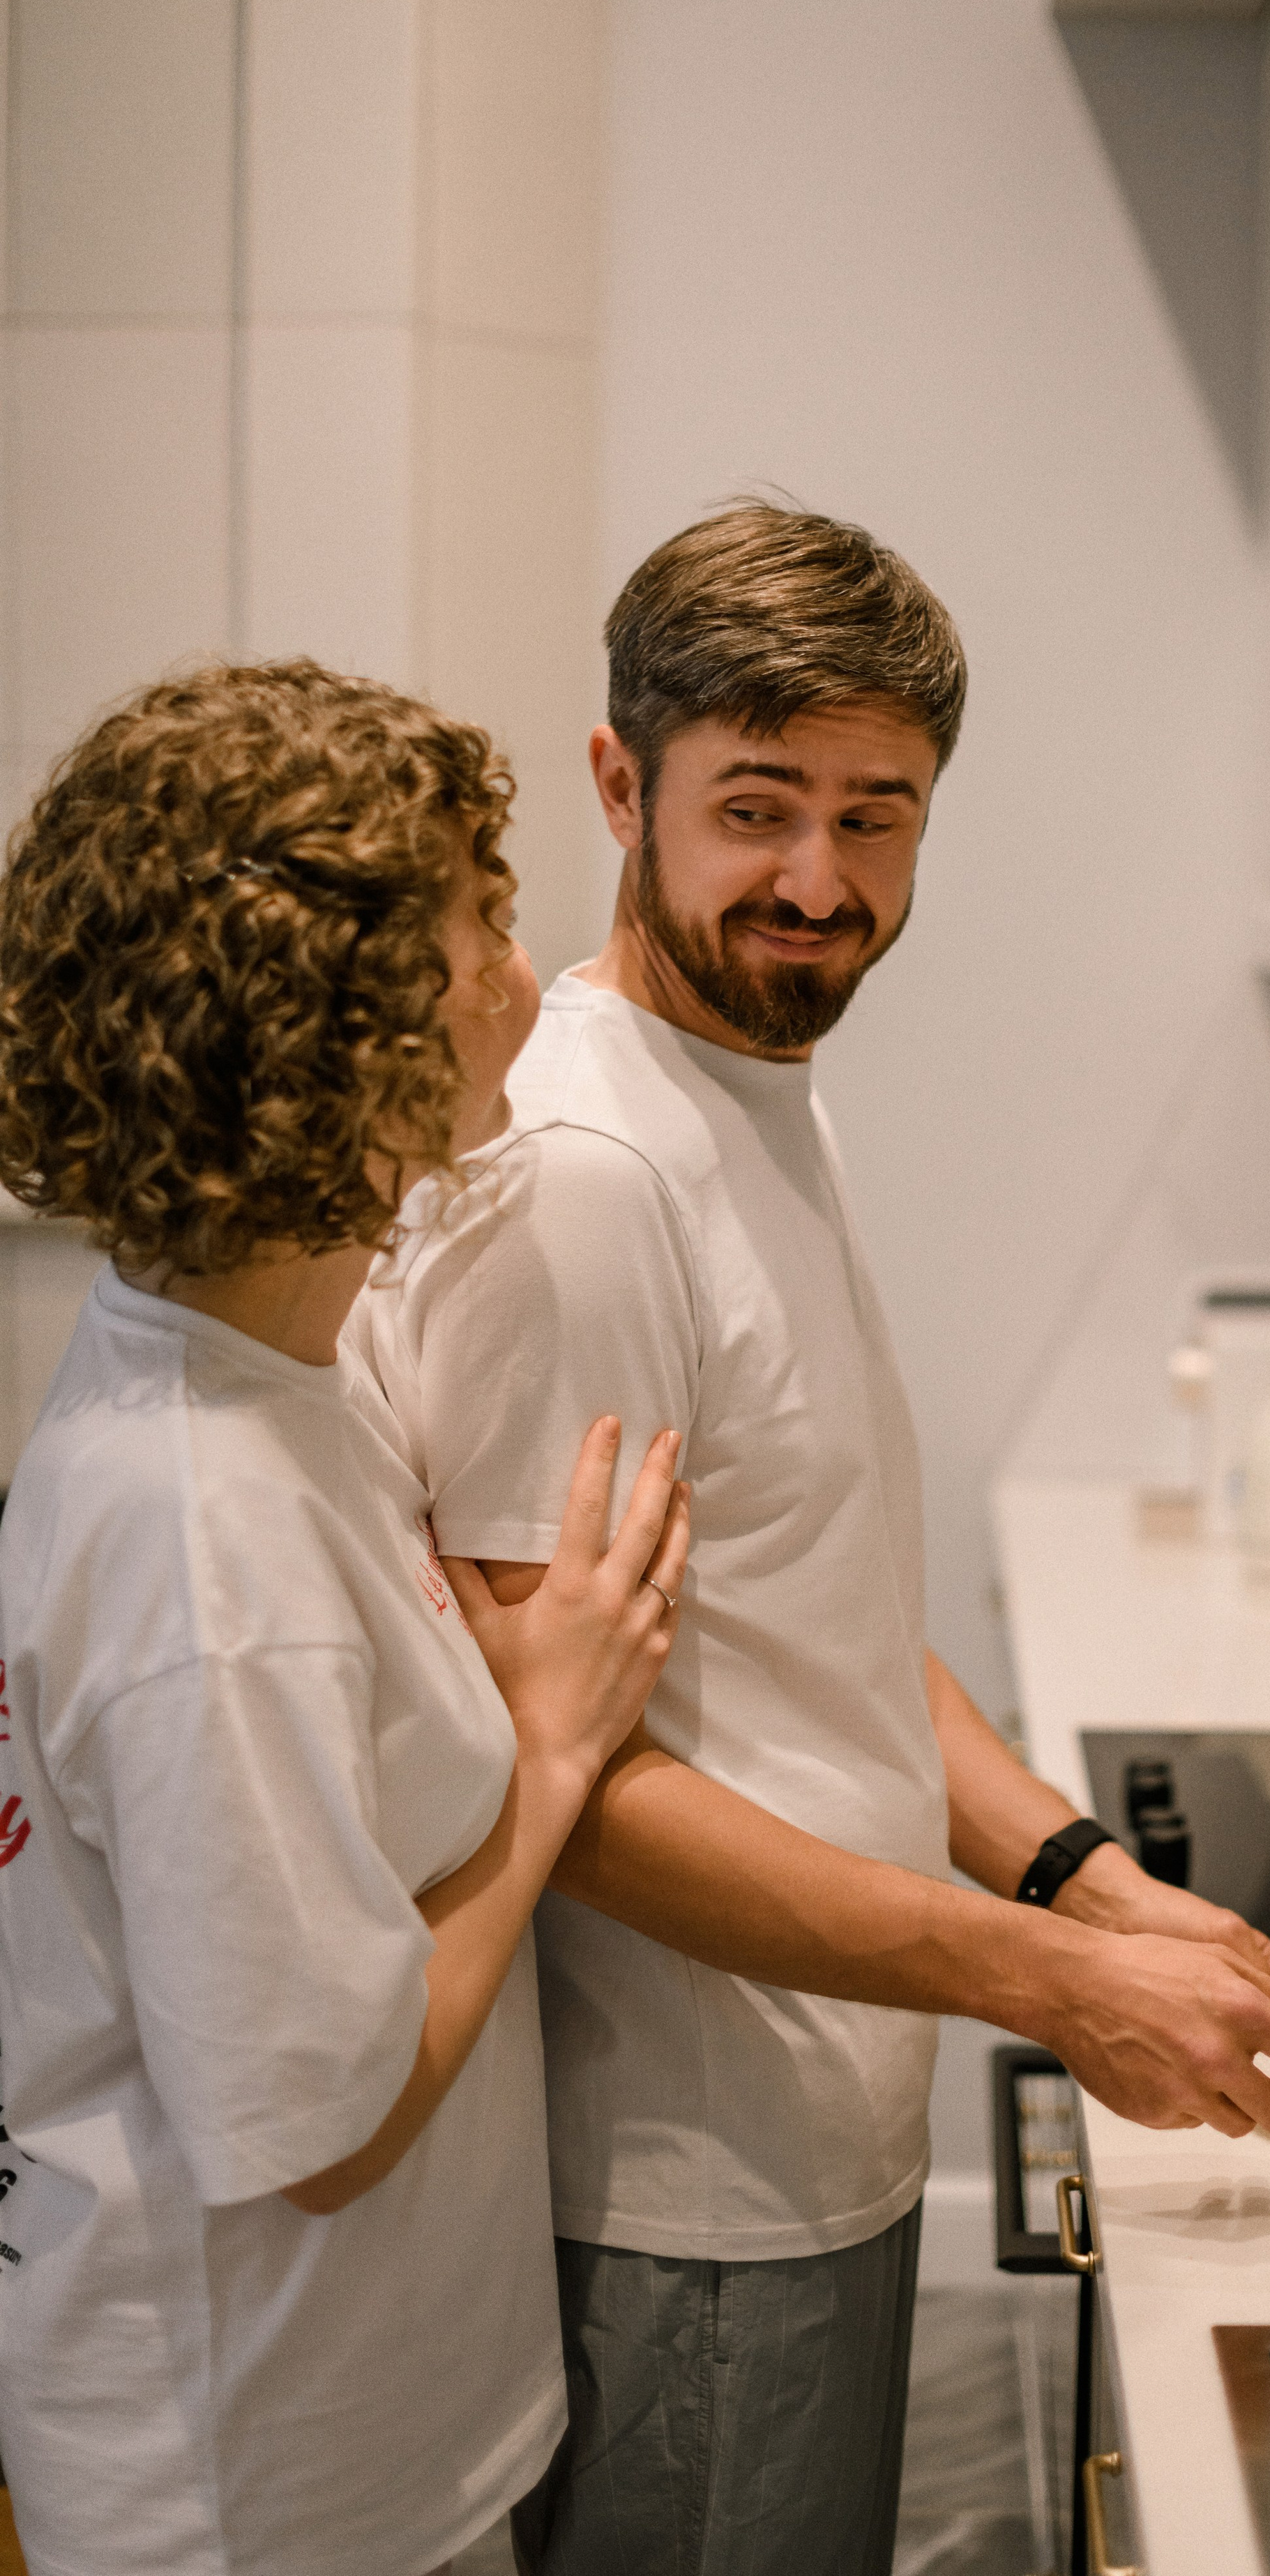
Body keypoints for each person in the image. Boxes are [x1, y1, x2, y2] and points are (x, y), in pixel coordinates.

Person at [354, 506, 1270, 2576]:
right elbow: (560, 1781)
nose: (818, 882)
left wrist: (1084, 1878)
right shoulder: (595, 1176)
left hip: (814, 2133)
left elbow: (824, 1609)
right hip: (682, 2191)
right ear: (622, 784)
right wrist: (1043, 1979)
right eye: (758, 808)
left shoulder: (760, 1079)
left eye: (877, 817)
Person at [0, 662, 689, 2576]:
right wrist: (550, 1759)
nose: (524, 972)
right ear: (325, 1017)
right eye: (478, 914)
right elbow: (321, 2120)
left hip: (347, 2450)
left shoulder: (265, 1374)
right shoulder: (207, 1533)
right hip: (254, 2499)